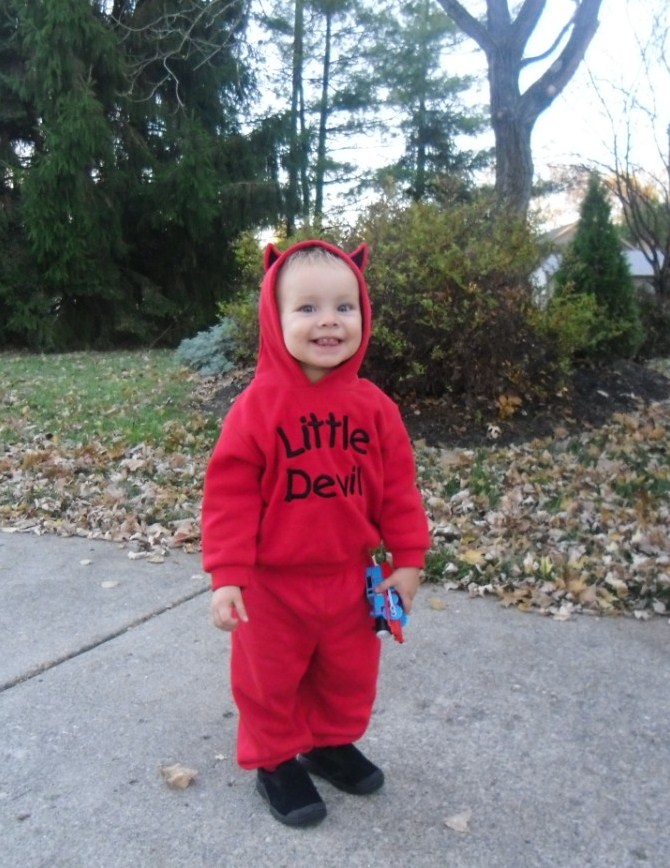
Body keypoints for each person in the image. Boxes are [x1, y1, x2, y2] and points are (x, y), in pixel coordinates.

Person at [201, 239, 430, 827]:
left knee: (348, 674)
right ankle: (275, 760)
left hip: (352, 578)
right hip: (272, 587)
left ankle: (329, 742)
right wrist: (228, 576)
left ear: (363, 315)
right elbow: (229, 497)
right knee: (269, 679)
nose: (329, 320)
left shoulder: (375, 408)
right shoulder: (257, 408)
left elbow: (399, 489)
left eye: (344, 307)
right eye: (307, 308)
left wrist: (408, 558)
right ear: (273, 319)